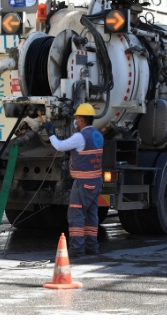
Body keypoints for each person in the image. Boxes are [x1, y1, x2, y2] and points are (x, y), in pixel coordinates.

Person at [43, 103, 103, 257]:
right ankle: (92, 247)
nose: (75, 121)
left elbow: (59, 146)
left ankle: (77, 248)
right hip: (96, 182)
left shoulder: (79, 137)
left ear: (82, 120)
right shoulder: (98, 135)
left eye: (76, 118)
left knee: (76, 215)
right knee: (91, 215)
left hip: (83, 183)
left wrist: (51, 133)